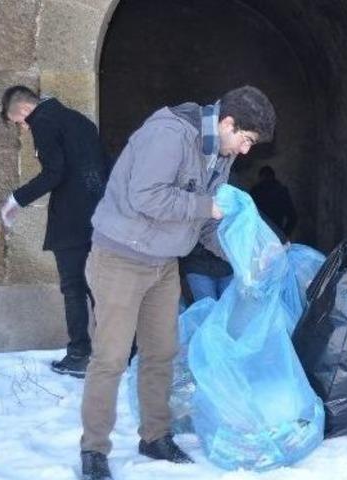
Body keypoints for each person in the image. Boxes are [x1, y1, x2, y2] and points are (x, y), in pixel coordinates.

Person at [78, 86, 276, 480]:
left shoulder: (219, 155)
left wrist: (248, 256)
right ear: (227, 123)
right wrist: (206, 206)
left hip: (164, 263)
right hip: (120, 258)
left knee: (161, 352)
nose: (245, 151)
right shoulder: (169, 134)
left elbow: (205, 226)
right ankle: (94, 450)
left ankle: (155, 436)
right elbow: (146, 197)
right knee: (111, 357)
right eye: (246, 139)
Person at [0, 86, 112, 378]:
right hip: (100, 219)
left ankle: (79, 354)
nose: (24, 128)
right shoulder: (80, 120)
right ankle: (119, 351)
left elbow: (54, 172)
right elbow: (104, 166)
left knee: (73, 288)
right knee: (101, 288)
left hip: (71, 222)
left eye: (19, 122)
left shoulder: (43, 121)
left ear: (25, 110)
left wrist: (17, 199)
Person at [248, 165, 298, 237]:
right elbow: (293, 217)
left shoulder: (256, 191)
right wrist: (284, 235)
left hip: (262, 234)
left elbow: (293, 217)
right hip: (272, 233)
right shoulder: (280, 191)